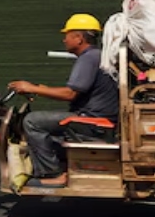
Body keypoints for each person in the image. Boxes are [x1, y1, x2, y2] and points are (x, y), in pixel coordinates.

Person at [8, 13, 119, 187]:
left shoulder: (89, 58)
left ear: (78, 38)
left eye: (67, 35)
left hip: (91, 121)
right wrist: (42, 89)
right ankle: (62, 165)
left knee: (32, 122)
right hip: (96, 118)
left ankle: (52, 175)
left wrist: (31, 88)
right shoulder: (96, 56)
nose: (64, 40)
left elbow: (70, 94)